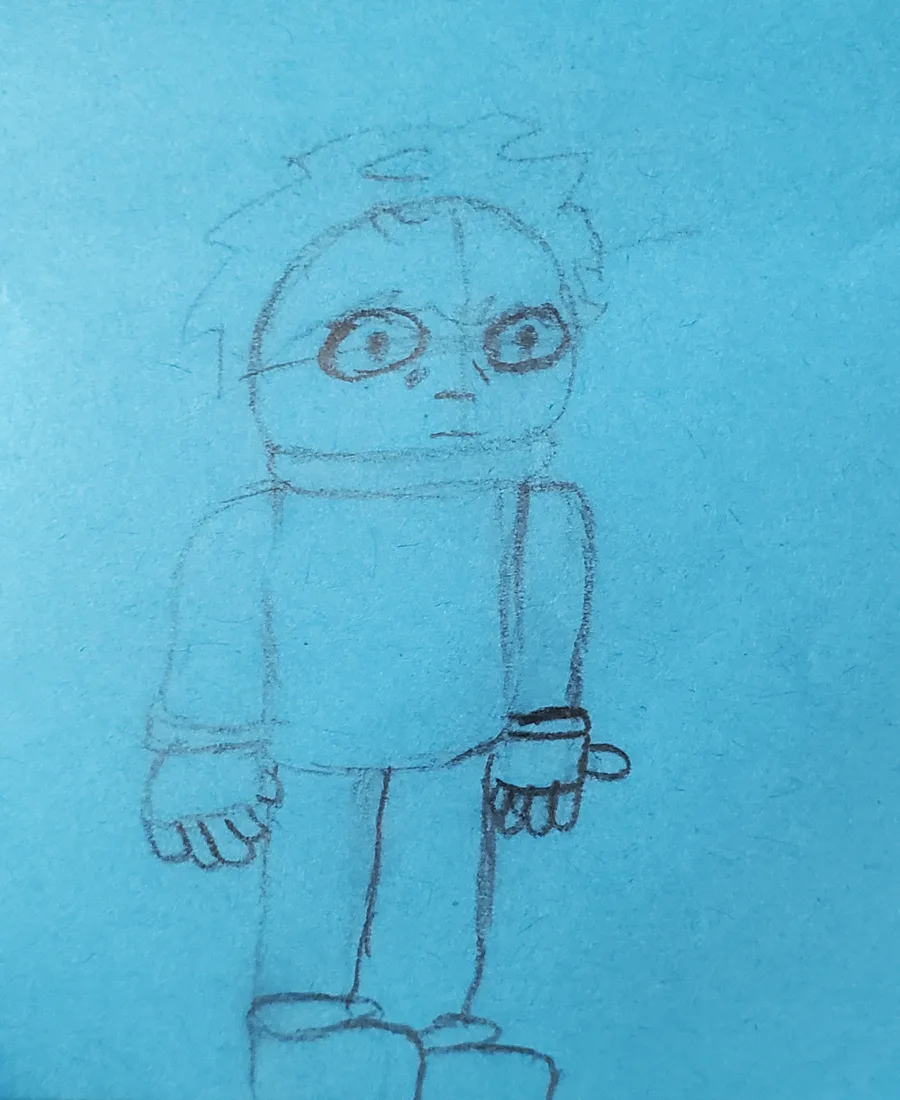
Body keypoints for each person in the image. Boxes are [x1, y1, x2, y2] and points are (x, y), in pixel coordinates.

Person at [142, 116, 627, 1100]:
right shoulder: (256, 525)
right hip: (308, 751)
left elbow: (546, 633)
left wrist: (543, 731)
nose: (457, 381)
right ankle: (308, 1032)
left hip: (463, 745)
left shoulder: (539, 514)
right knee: (317, 880)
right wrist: (207, 750)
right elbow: (218, 639)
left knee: (443, 880)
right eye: (374, 343)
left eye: (519, 339)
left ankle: (442, 1034)